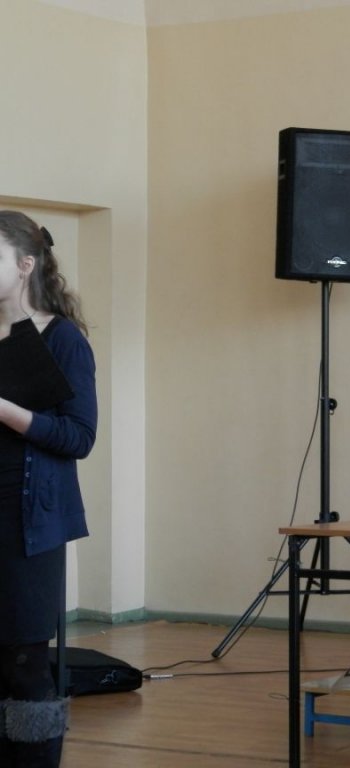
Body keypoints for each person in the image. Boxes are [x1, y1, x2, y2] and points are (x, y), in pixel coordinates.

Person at [0, 210, 97, 767]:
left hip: (27, 526)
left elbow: (79, 437)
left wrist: (6, 410)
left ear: (25, 265)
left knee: (24, 665)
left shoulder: (63, 340)